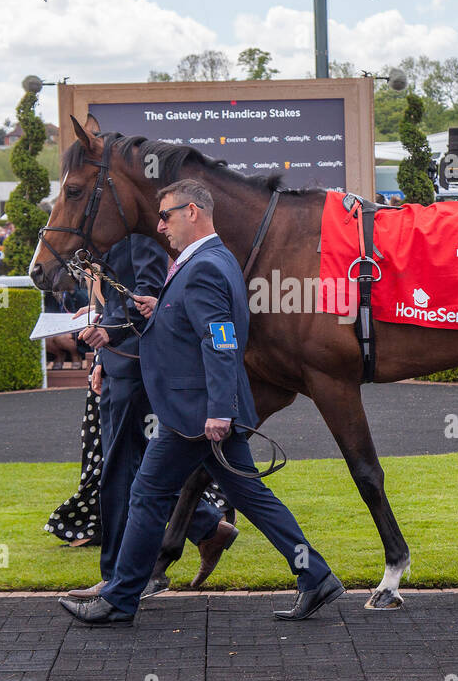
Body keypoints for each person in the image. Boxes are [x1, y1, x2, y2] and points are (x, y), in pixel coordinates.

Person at [58, 180, 343, 626]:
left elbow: (221, 341)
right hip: (201, 411)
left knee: (148, 494)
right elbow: (193, 325)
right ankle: (316, 575)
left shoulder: (204, 265)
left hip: (195, 416)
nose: (160, 225)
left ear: (192, 211)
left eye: (166, 215)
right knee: (250, 494)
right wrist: (155, 311)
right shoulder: (207, 260)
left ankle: (119, 598)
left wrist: (218, 410)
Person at [61, 233, 234, 593]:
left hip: (138, 367)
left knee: (121, 471)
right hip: (120, 364)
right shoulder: (112, 243)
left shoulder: (140, 240)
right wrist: (101, 359)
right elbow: (117, 305)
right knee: (138, 469)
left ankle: (118, 579)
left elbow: (149, 302)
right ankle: (204, 527)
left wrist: (107, 334)